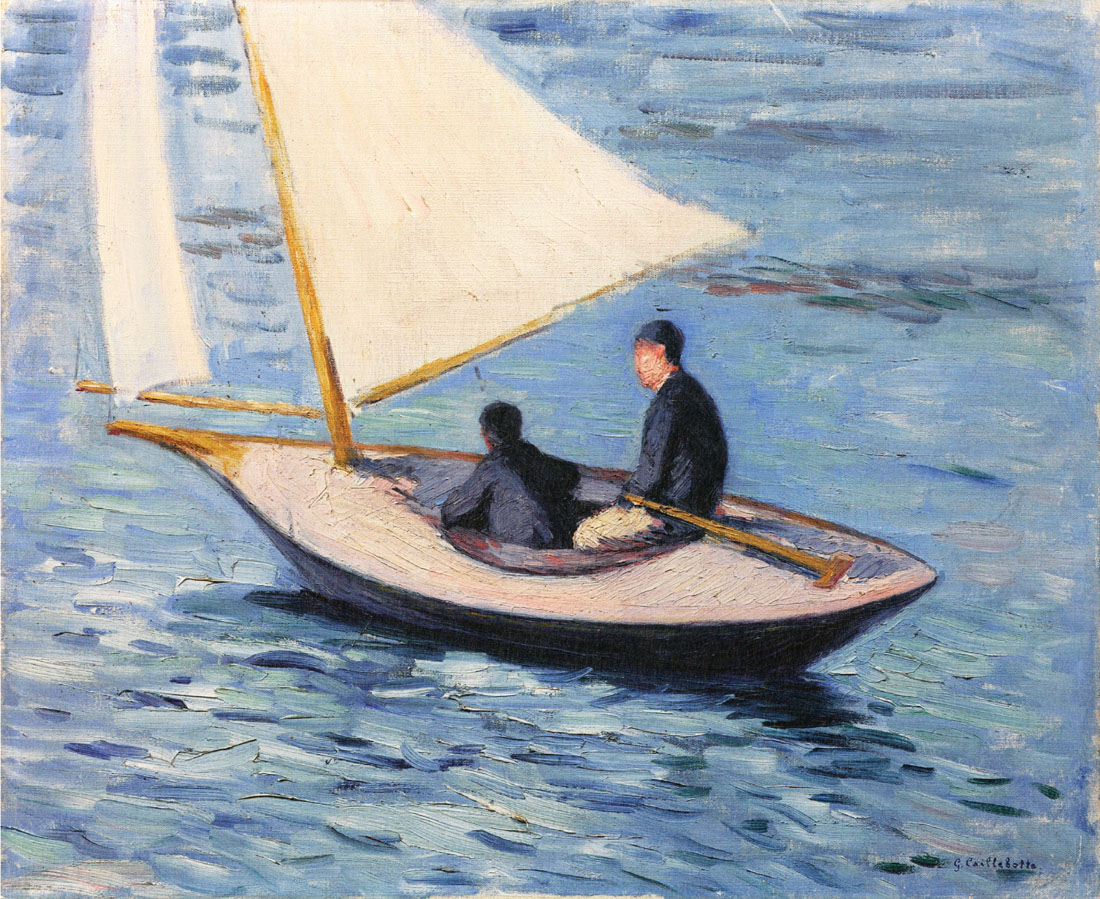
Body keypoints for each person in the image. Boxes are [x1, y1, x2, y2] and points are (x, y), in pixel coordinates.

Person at [574, 320, 728, 549]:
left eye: (640, 353)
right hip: (698, 508)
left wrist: (622, 505)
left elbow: (650, 473)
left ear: (659, 353)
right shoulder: (692, 391)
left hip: (672, 517)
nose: (636, 364)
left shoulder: (667, 403)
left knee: (585, 535)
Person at [441, 402, 580, 549]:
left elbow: (452, 512)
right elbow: (573, 474)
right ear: (518, 429)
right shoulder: (534, 456)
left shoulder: (493, 465)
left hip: (522, 545)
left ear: (486, 435)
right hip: (558, 540)